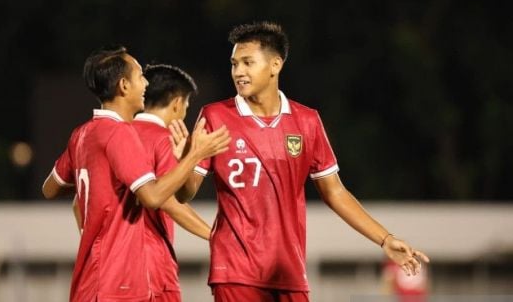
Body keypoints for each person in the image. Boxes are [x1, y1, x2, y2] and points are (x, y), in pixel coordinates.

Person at [176, 22, 430, 302]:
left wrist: (385, 239)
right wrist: (189, 158)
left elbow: (335, 192)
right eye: (234, 63)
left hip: (289, 271)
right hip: (235, 270)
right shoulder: (215, 116)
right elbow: (185, 193)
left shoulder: (306, 121)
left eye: (248, 62)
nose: (238, 72)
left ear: (275, 65)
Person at [41, 46, 230, 302]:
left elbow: (51, 189)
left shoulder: (82, 133)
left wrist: (99, 193)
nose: (145, 84)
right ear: (123, 85)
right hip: (121, 280)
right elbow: (155, 198)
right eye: (140, 76)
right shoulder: (121, 133)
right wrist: (195, 154)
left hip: (89, 279)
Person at [132, 64, 212, 301]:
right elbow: (168, 200)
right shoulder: (163, 138)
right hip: (151, 266)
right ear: (177, 103)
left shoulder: (116, 134)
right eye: (186, 105)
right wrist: (216, 235)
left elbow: (78, 203)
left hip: (113, 268)